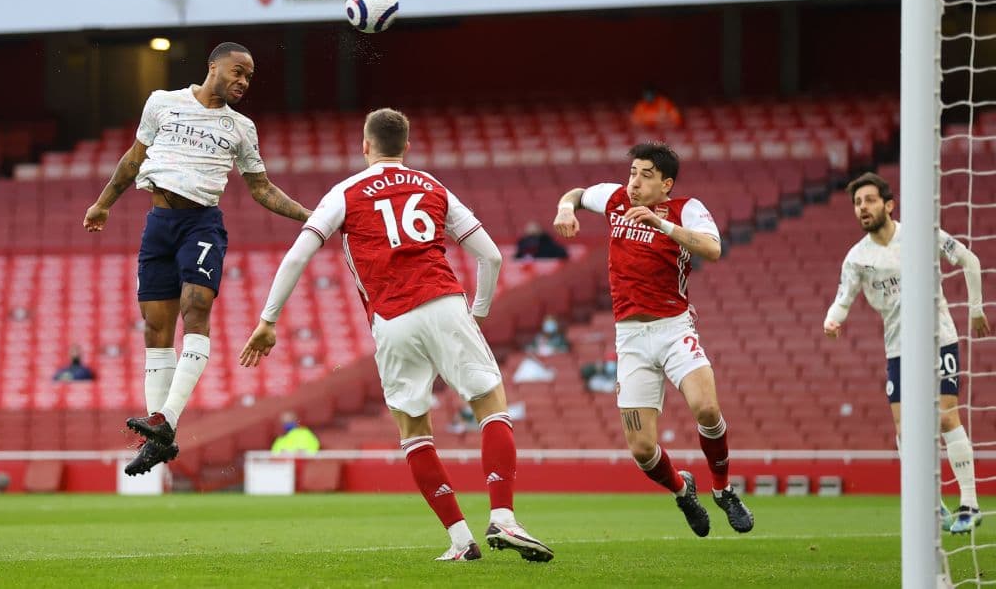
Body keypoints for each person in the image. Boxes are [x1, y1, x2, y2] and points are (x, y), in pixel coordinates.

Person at [240, 108, 553, 563]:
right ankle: (503, 517)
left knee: (413, 430)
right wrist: (478, 312)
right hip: (444, 302)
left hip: (390, 320)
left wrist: (268, 320)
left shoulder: (345, 192)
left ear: (365, 146)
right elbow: (491, 258)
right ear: (406, 147)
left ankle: (461, 540)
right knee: (490, 405)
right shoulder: (432, 186)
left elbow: (297, 255)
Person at [82, 42, 312, 477]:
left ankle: (166, 418)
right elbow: (134, 160)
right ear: (213, 66)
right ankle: (157, 432)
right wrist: (103, 204)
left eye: (249, 77)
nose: (243, 81)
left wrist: (310, 215)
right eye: (238, 71)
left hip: (201, 225)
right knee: (155, 326)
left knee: (196, 309)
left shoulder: (241, 127)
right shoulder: (162, 103)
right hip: (158, 224)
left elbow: (261, 189)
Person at [553, 142, 753, 537]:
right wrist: (564, 209)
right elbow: (576, 195)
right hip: (630, 338)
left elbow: (713, 249)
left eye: (646, 175)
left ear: (666, 183)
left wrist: (661, 224)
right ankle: (682, 491)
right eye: (632, 172)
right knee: (642, 450)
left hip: (673, 329)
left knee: (707, 409)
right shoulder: (613, 198)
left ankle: (723, 488)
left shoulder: (686, 209)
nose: (635, 182)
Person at [823, 172, 990, 535]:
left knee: (946, 419)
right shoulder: (857, 258)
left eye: (869, 200)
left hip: (938, 338)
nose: (862, 208)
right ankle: (931, 505)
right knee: (904, 429)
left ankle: (970, 503)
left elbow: (970, 260)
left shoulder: (921, 234)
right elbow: (843, 298)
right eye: (857, 203)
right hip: (898, 349)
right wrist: (832, 320)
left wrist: (975, 308)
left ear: (888, 204)